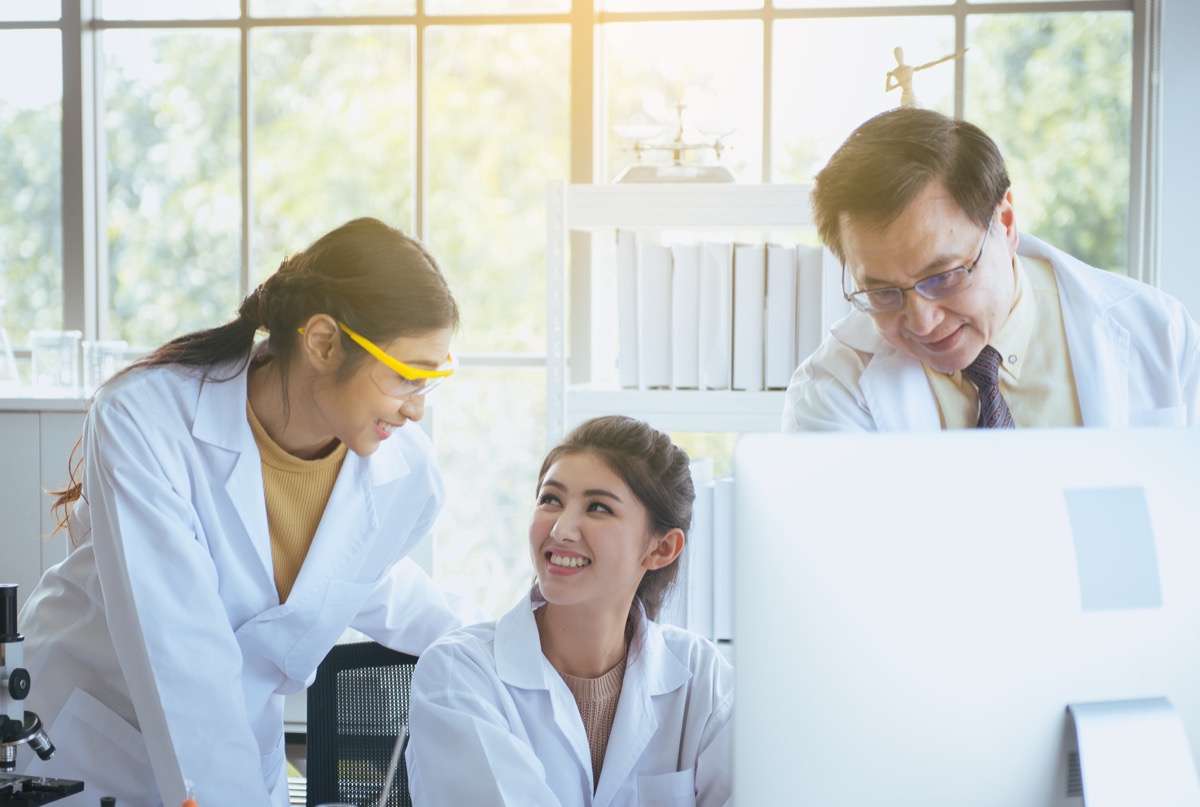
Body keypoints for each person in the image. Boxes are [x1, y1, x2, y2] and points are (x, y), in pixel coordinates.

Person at [17, 217, 475, 806]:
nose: (415, 409)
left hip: (236, 756)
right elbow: (182, 656)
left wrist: (515, 645)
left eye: (429, 382)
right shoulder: (147, 419)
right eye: (404, 376)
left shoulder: (403, 471)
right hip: (93, 745)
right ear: (324, 344)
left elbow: (362, 580)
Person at [784, 107, 1200, 432]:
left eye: (944, 276)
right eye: (883, 293)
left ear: (1004, 223)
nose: (923, 322)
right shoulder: (831, 390)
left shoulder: (1161, 332)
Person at [406, 415, 733, 807]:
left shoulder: (705, 682)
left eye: (597, 507)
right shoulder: (458, 673)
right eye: (551, 500)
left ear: (660, 549)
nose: (561, 529)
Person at [885, 46, 968, 108]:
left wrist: (952, 56)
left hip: (911, 95)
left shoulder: (909, 68)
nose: (899, 57)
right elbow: (888, 89)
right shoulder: (895, 72)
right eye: (897, 55)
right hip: (904, 96)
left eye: (900, 54)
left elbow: (934, 63)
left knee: (914, 112)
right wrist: (896, 82)